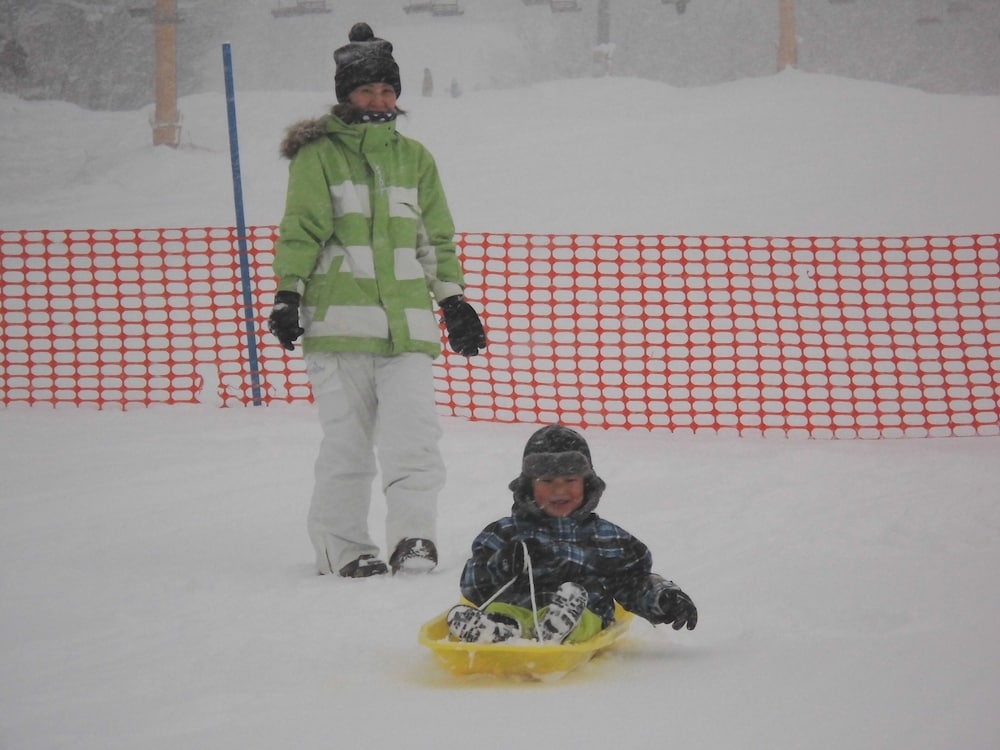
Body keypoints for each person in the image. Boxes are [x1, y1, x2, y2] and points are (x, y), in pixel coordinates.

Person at [267, 22, 486, 578]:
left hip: (406, 328)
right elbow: (301, 230)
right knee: (348, 447)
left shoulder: (414, 159)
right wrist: (287, 293)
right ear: (346, 95)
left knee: (415, 438)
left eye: (388, 91)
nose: (379, 100)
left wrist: (454, 302)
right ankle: (344, 547)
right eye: (367, 90)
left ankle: (413, 537)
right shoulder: (318, 156)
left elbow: (434, 240)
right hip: (339, 327)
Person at [447, 424, 698, 643]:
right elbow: (472, 585)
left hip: (585, 616)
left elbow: (633, 582)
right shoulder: (505, 533)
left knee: (584, 610)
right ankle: (497, 632)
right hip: (519, 610)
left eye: (569, 480)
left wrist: (664, 598)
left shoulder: (608, 539)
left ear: (586, 483)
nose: (559, 491)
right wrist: (501, 563)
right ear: (528, 485)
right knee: (503, 609)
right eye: (546, 481)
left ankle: (560, 627)